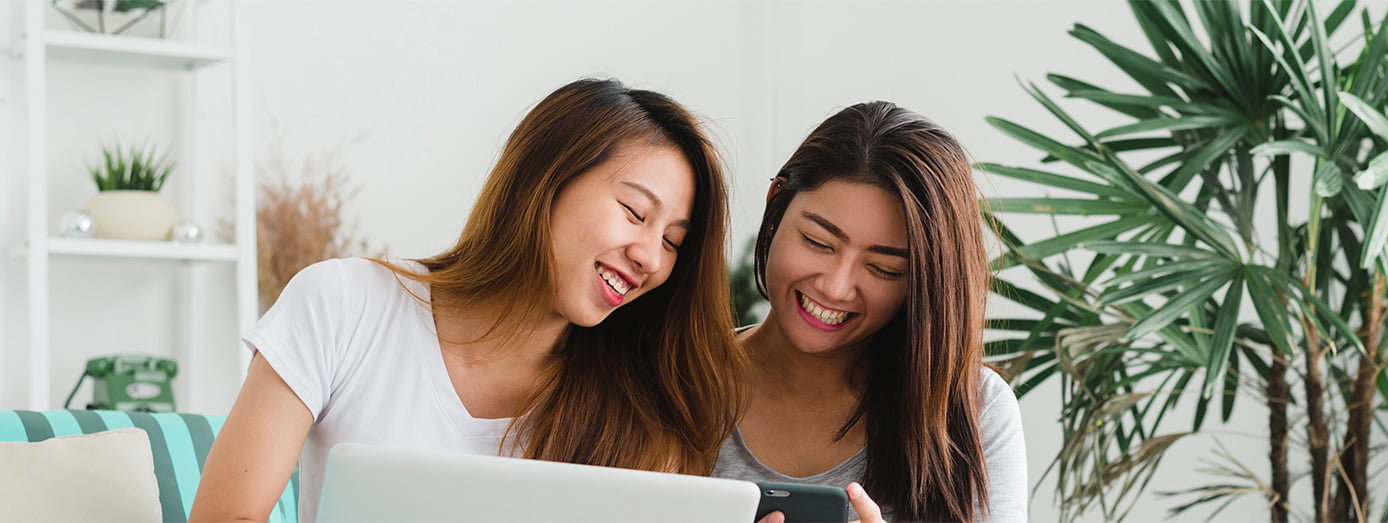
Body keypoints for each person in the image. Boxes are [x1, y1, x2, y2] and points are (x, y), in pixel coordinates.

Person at [191, 78, 747, 522]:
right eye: (635, 213)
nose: (651, 256)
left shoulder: (638, 406)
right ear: (544, 182)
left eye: (673, 240)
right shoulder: (344, 303)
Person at [719, 102, 1027, 522]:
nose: (835, 287)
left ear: (921, 282)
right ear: (777, 205)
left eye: (883, 268)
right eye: (818, 242)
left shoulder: (974, 411)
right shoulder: (669, 377)